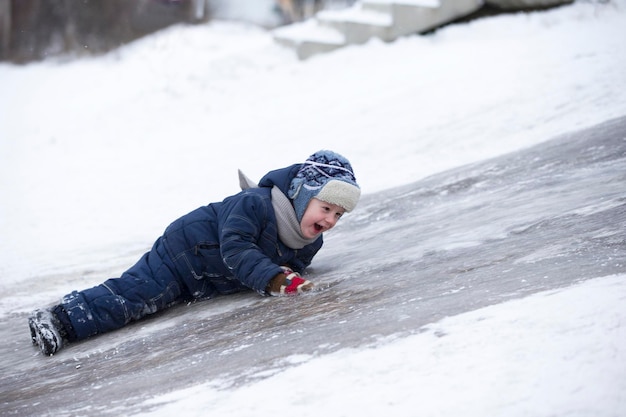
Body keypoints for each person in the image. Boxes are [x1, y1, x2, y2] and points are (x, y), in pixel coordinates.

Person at [28, 150, 361, 356]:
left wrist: (290, 277)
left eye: (338, 215)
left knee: (151, 303)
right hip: (184, 253)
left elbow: (288, 265)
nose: (330, 220)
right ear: (302, 196)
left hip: (208, 277)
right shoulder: (256, 204)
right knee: (137, 296)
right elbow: (236, 249)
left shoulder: (310, 240)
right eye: (326, 207)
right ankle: (61, 320)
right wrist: (275, 279)